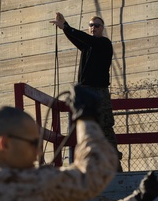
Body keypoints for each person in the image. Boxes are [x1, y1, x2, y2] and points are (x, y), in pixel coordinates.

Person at [50, 11, 117, 163]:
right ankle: (91, 162)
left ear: (102, 28)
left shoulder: (104, 44)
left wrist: (66, 26)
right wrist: (65, 28)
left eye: (97, 25)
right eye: (91, 25)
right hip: (86, 91)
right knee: (86, 127)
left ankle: (113, 162)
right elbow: (78, 39)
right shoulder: (88, 47)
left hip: (99, 91)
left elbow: (84, 39)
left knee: (105, 126)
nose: (93, 28)